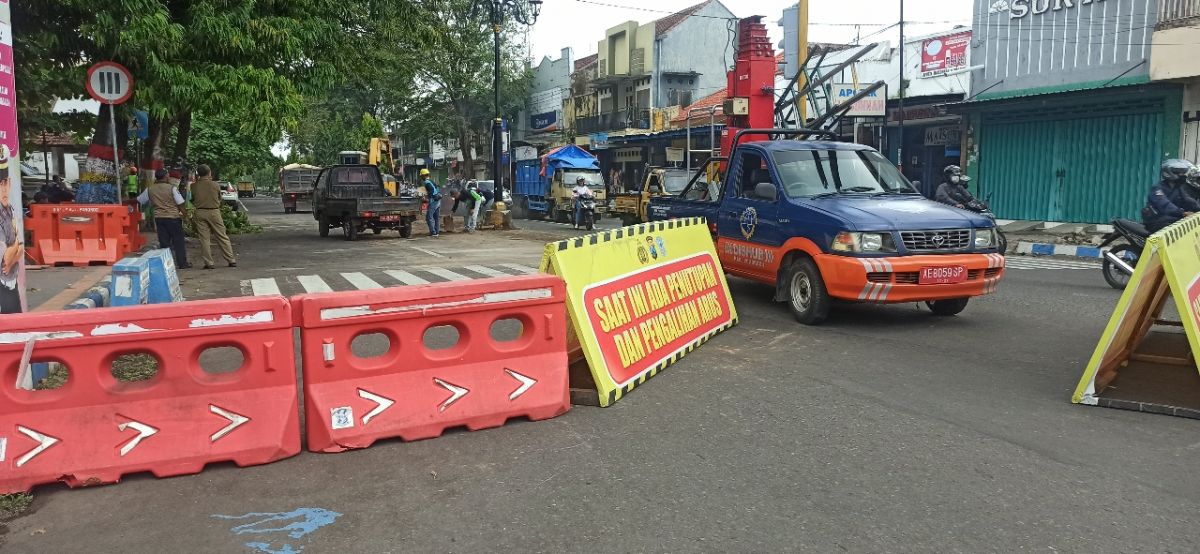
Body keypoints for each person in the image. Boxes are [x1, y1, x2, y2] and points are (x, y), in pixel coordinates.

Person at [138, 168, 191, 269]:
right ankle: (182, 263)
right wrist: (185, 215)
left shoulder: (150, 189)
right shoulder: (172, 188)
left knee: (164, 242)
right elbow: (180, 203)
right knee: (178, 241)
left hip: (159, 218)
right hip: (173, 218)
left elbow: (140, 200)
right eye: (167, 175)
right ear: (166, 176)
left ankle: (167, 265)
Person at [189, 164, 237, 269]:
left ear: (198, 174)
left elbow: (191, 199)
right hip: (214, 212)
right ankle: (231, 260)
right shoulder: (215, 185)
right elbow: (220, 198)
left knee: (204, 239)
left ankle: (209, 263)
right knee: (222, 236)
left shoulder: (194, 186)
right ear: (209, 172)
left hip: (200, 212)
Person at [1142, 158, 1200, 233]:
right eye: (1179, 172)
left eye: (1183, 172)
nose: (1182, 175)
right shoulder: (1157, 189)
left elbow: (1187, 200)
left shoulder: (1178, 188)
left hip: (1170, 220)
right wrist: (1183, 213)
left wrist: (1197, 209)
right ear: (1168, 173)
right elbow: (1165, 205)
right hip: (1156, 221)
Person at [1, 152, 24, 313]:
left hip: (10, 282)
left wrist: (14, 248)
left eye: (3, 183)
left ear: (9, 183)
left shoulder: (10, 210)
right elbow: (4, 257)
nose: (2, 189)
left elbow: (19, 247)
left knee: (16, 328)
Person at [421, 168, 441, 237]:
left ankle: (433, 232)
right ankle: (437, 232)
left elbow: (432, 191)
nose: (421, 178)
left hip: (433, 201)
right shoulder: (432, 181)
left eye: (421, 176)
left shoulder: (426, 182)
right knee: (436, 217)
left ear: (423, 176)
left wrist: (427, 198)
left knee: (429, 217)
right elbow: (437, 189)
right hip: (438, 200)